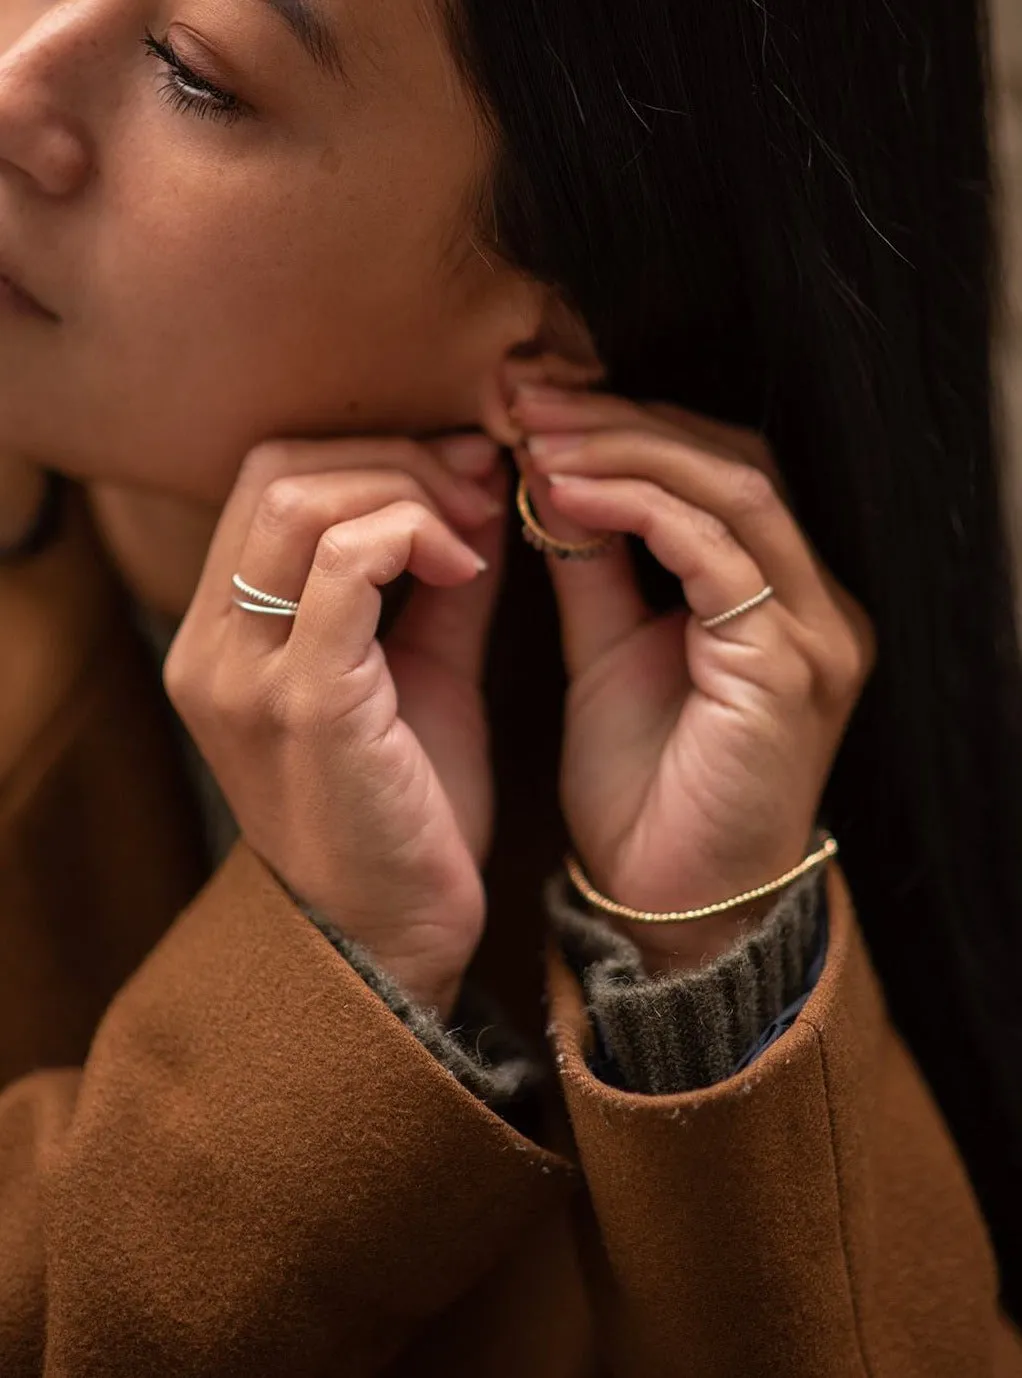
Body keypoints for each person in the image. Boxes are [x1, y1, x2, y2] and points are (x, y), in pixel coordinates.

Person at [0, 0, 1020, 1372]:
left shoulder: (674, 809)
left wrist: (711, 971)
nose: (14, 81)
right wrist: (325, 981)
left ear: (548, 326)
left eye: (194, 74)